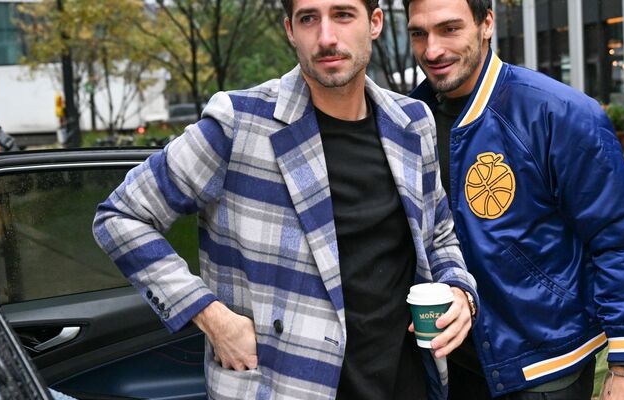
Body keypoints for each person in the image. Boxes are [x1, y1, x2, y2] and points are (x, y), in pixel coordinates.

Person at [92, 0, 478, 399]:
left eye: (343, 15)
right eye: (309, 18)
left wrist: (460, 291)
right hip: (282, 386)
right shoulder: (239, 122)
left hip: (406, 385)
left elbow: (439, 236)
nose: (326, 37)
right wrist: (211, 316)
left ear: (375, 23)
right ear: (291, 30)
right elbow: (121, 216)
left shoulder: (412, 122)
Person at [404, 1, 624, 399]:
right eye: (419, 33)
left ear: (486, 23)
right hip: (451, 366)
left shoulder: (557, 112)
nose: (432, 49)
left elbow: (623, 237)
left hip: (545, 367)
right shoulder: (408, 122)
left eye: (450, 29)